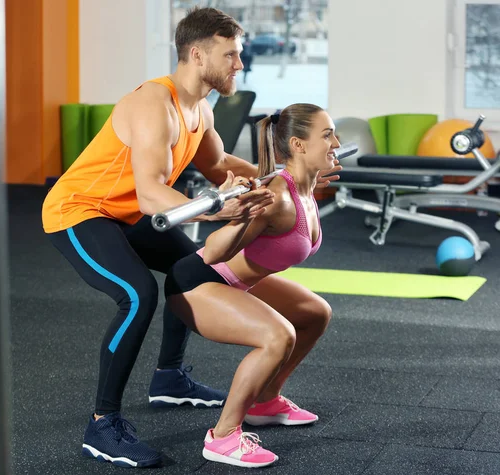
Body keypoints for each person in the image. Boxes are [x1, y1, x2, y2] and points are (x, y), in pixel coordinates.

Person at [41, 7, 341, 469]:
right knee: (137, 294)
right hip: (79, 210)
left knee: (192, 266)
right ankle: (103, 424)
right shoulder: (153, 104)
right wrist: (222, 207)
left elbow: (220, 167)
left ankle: (169, 378)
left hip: (125, 212)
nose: (239, 65)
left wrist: (283, 179)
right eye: (232, 55)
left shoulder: (198, 108)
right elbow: (150, 192)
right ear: (198, 54)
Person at [164, 103, 339, 468]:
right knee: (278, 336)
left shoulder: (303, 187)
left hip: (237, 281)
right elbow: (211, 253)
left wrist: (315, 175)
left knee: (316, 313)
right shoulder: (276, 199)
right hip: (198, 282)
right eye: (328, 135)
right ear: (298, 145)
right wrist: (242, 217)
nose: (336, 143)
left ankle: (266, 400)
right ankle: (223, 435)